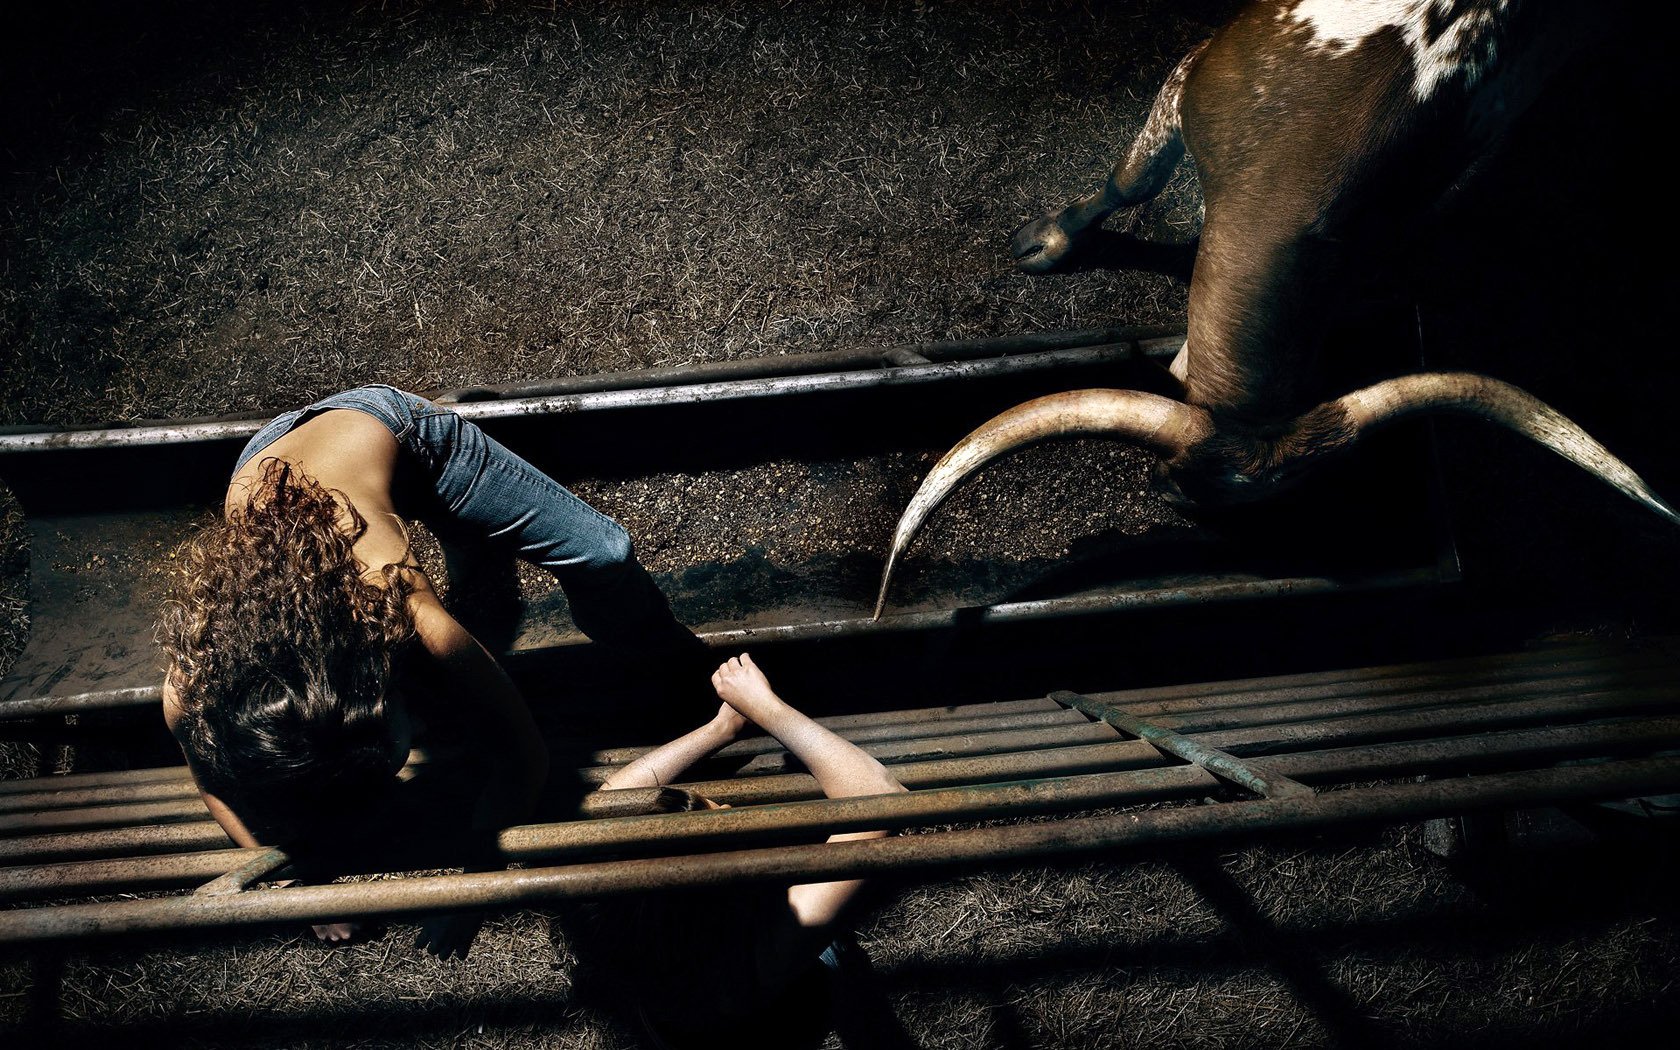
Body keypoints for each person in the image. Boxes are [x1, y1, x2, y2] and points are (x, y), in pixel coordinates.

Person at [157, 385, 706, 954]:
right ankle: (462, 530)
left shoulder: (401, 603)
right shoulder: (198, 682)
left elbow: (524, 758)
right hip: (273, 462)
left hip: (390, 428)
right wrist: (302, 885)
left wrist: (468, 894)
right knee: (462, 571)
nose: (420, 736)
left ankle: (671, 657)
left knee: (604, 551)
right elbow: (215, 787)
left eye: (403, 732)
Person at [572, 652, 908, 1047]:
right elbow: (881, 802)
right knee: (832, 947)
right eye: (724, 820)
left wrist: (721, 729)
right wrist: (766, 708)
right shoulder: (767, 949)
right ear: (725, 889)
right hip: (770, 1017)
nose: (730, 808)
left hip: (668, 1013)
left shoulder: (612, 909)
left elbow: (612, 797)